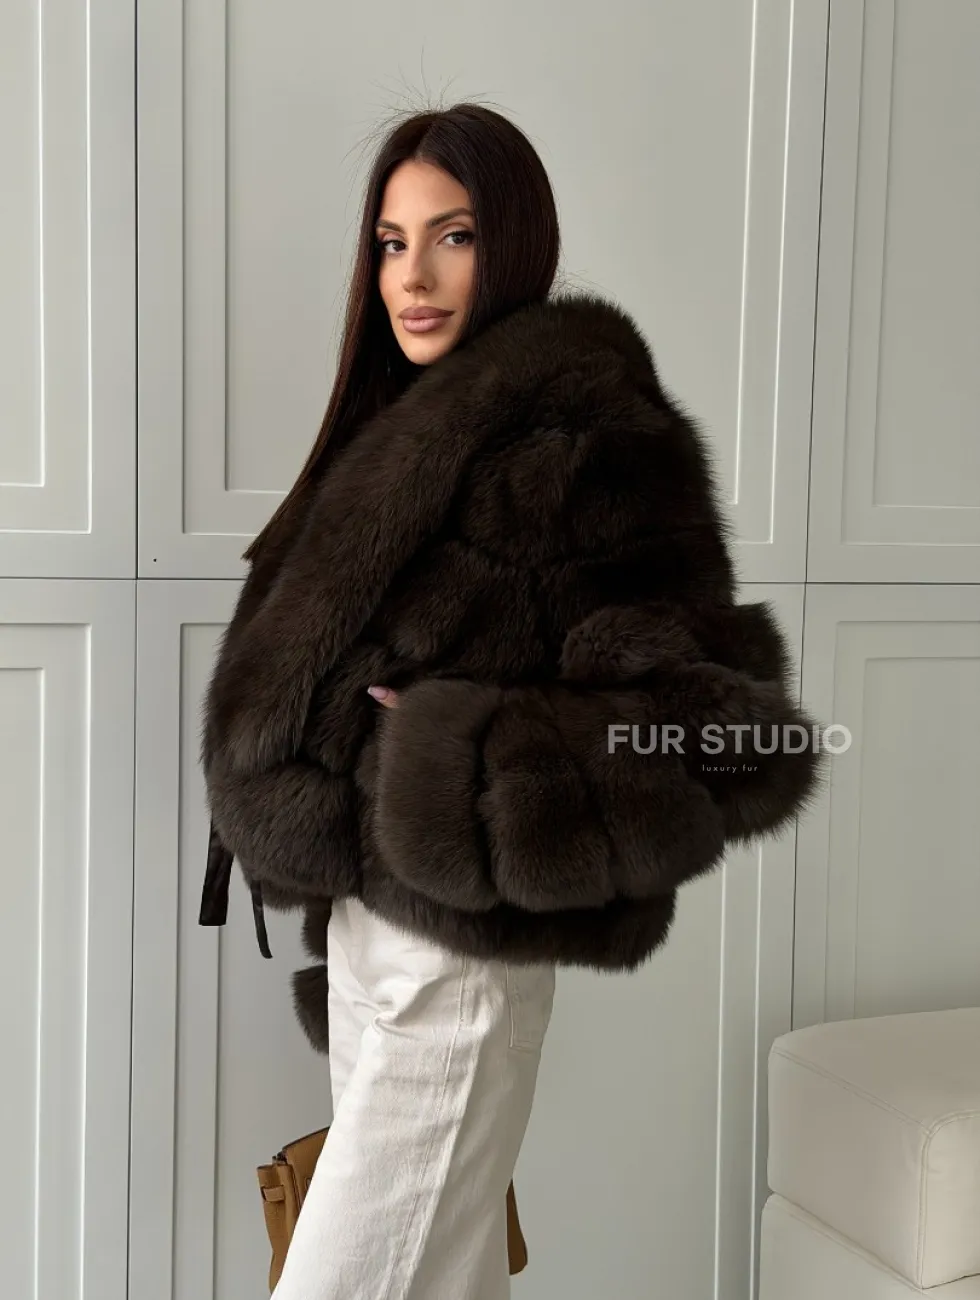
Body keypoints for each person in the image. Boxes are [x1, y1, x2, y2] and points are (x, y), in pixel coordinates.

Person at [199, 103, 824, 1299]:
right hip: (367, 930)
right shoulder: (401, 428)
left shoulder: (586, 428)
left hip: (456, 947)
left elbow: (707, 728)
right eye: (391, 242)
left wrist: (442, 753)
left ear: (515, 241)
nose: (412, 277)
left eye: (454, 236)